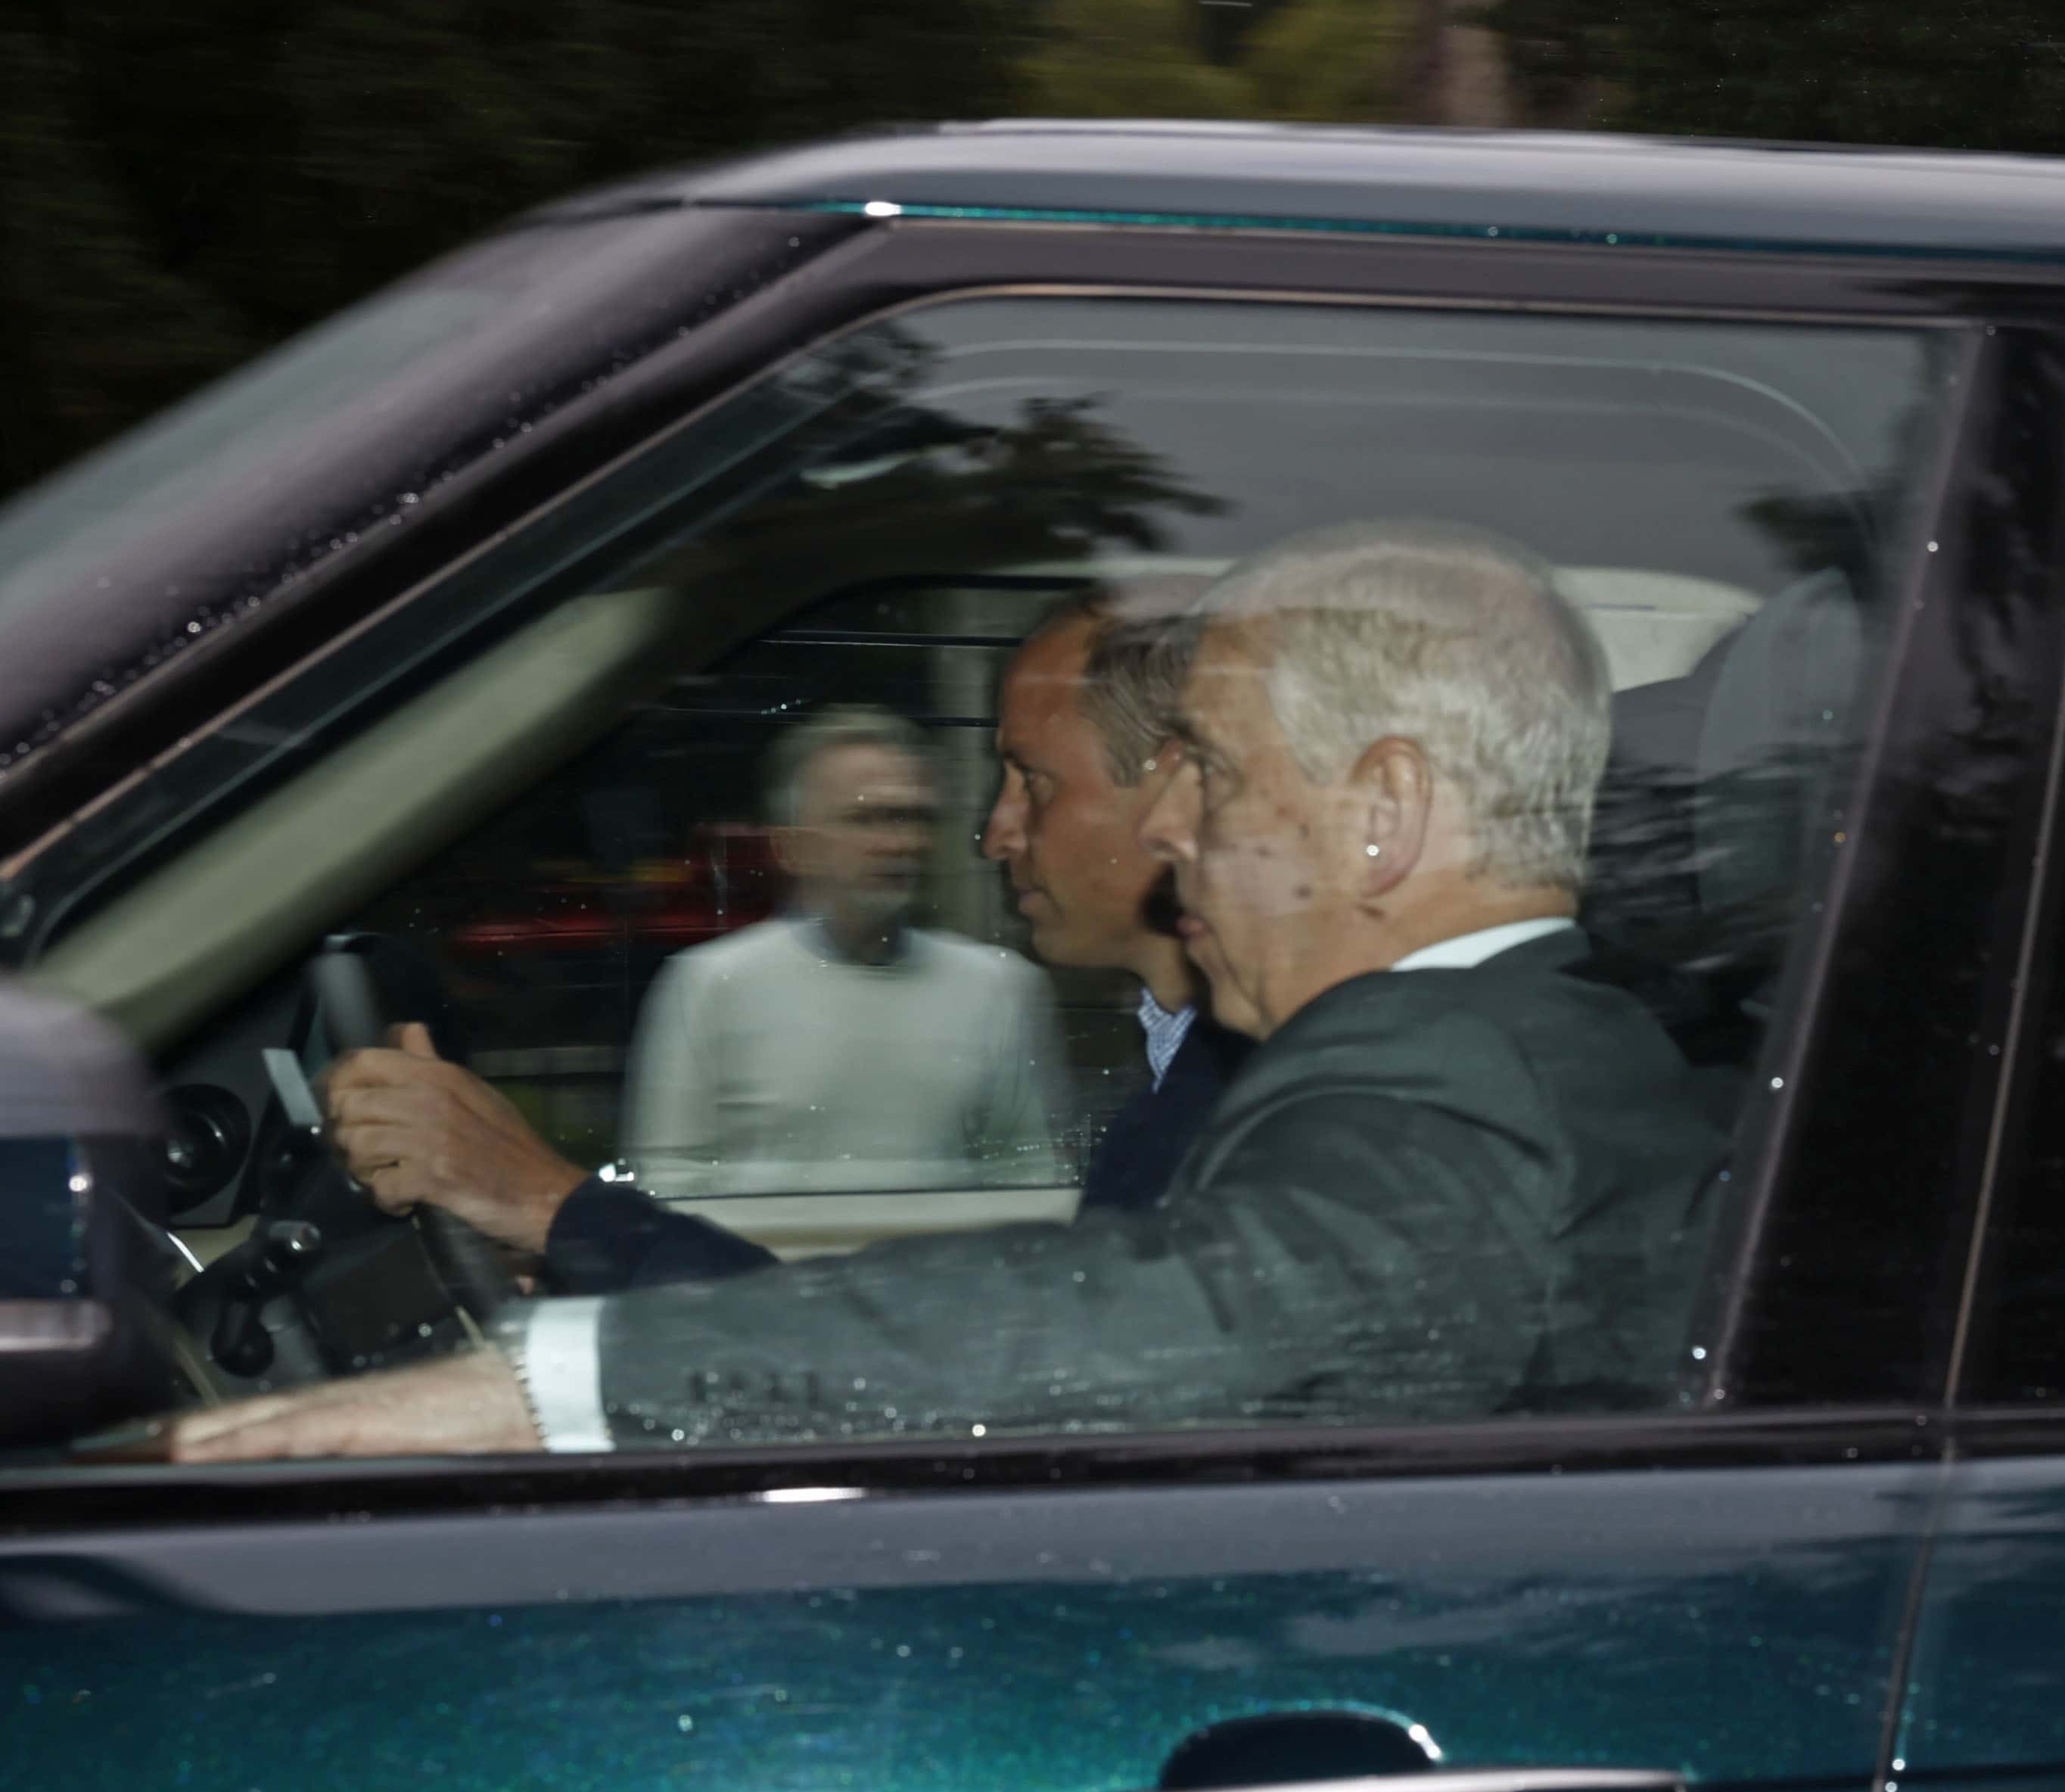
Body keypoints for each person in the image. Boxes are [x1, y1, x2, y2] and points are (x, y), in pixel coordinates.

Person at [170, 518, 1734, 1461]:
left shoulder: (1456, 1080)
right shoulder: (1534, 1043)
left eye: (1210, 770)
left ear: (1383, 813)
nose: (1171, 824)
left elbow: (1182, 1319)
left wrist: (536, 1393)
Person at [322, 589, 1239, 1290]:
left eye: (1032, 784)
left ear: (1173, 797)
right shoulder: (1182, 1081)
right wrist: (570, 1236)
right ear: (794, 843)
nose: (991, 834)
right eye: (865, 820)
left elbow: (991, 1371)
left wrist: (548, 1206)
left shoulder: (1237, 1106)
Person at [613, 705, 1065, 1196]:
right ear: (793, 848)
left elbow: (1031, 1176)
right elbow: (667, 1185)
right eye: (867, 818)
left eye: (913, 817)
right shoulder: (709, 985)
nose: (900, 843)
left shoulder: (1001, 987)